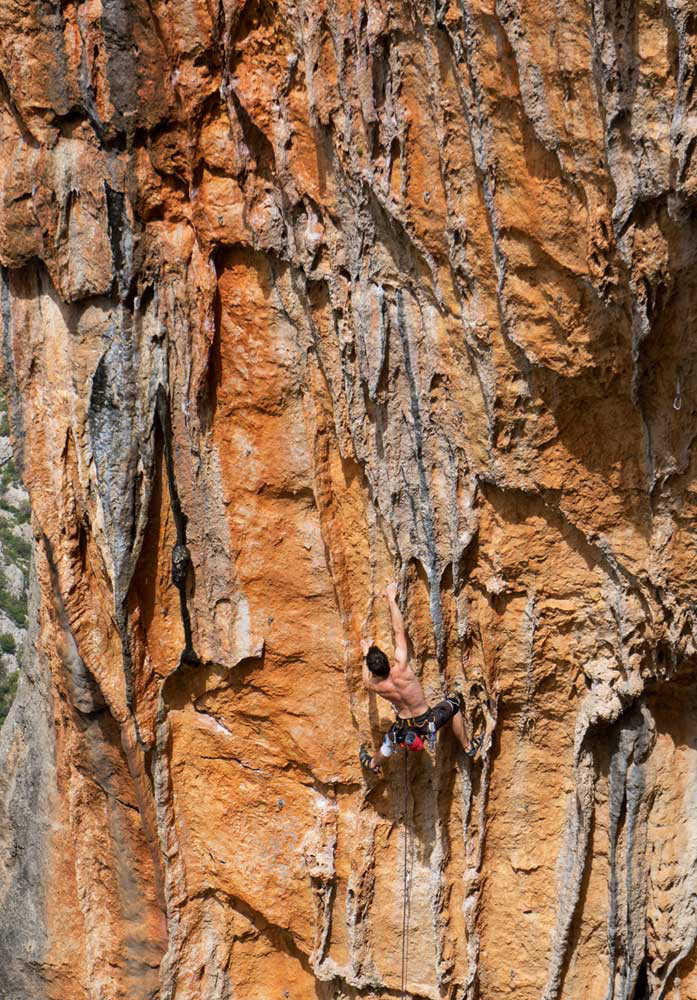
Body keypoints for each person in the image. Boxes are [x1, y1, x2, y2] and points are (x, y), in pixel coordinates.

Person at [359, 582, 481, 774]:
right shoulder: (401, 667)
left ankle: (373, 764)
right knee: (454, 705)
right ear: (386, 659)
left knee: (388, 745)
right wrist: (391, 599)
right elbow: (399, 631)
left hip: (404, 723)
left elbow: (366, 679)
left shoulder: (376, 685)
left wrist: (366, 653)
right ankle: (468, 747)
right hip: (427, 719)